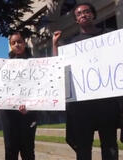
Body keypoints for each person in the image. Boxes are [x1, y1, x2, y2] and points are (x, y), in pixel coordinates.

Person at [52, 3, 120, 160]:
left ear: (93, 14)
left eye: (87, 11)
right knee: (83, 149)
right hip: (82, 107)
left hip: (106, 103)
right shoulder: (71, 44)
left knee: (110, 146)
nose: (83, 15)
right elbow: (58, 67)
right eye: (79, 13)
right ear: (76, 20)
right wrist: (55, 45)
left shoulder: (109, 36)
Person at [0, 32, 37, 160]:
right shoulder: (3, 65)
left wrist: (31, 106)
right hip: (8, 113)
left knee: (28, 150)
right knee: (10, 150)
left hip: (29, 113)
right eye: (13, 43)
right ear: (11, 46)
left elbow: (41, 88)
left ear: (24, 43)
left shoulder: (36, 64)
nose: (17, 44)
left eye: (19, 41)